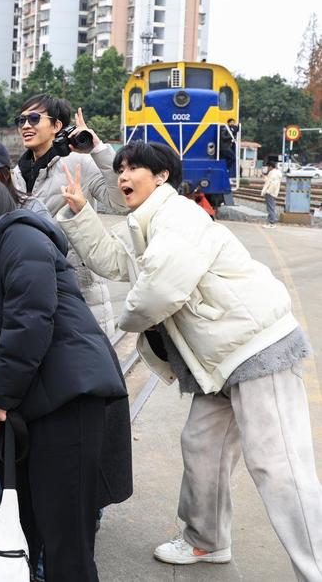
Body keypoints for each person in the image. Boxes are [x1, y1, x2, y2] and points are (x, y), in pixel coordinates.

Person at [57, 141, 322, 580]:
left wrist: (123, 326)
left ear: (161, 177)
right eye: (119, 169)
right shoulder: (146, 223)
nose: (123, 176)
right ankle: (206, 539)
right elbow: (112, 262)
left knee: (279, 467)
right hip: (219, 360)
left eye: (134, 168)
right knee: (202, 446)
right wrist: (82, 212)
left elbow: (159, 290)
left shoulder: (176, 217)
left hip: (257, 347)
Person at [0, 178, 132, 582]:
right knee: (28, 534)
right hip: (30, 410)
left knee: (67, 541)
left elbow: (29, 321)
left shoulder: (19, 236)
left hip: (67, 402)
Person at [11, 97, 127, 335]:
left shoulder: (80, 163)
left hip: (81, 290)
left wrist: (98, 150)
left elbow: (120, 202)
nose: (25, 125)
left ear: (57, 126)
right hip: (32, 287)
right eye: (21, 120)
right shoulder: (15, 175)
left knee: (87, 365)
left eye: (34, 118)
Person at [261, 158, 282, 228]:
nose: (267, 168)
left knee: (270, 208)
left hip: (270, 193)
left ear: (270, 166)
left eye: (267, 167)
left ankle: (272, 223)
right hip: (273, 192)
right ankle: (271, 222)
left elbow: (272, 183)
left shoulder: (272, 173)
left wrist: (267, 191)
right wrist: (265, 177)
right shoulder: (276, 173)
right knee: (271, 207)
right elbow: (269, 181)